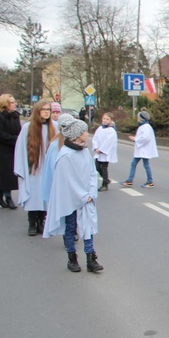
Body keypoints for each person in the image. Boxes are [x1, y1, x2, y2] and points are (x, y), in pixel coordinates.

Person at [43, 115, 103, 273]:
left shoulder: (83, 151)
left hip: (87, 197)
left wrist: (91, 192)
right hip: (71, 199)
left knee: (88, 227)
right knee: (71, 227)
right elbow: (68, 181)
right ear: (77, 134)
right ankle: (72, 258)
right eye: (84, 131)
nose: (87, 134)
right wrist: (83, 196)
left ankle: (91, 257)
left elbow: (91, 172)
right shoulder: (65, 155)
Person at [14, 99, 56, 235]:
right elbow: (20, 149)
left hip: (47, 168)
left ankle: (41, 221)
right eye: (43, 110)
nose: (46, 112)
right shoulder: (28, 127)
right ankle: (32, 222)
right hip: (33, 167)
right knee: (34, 195)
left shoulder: (54, 127)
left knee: (45, 195)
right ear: (37, 111)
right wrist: (21, 168)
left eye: (48, 110)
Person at [0, 94, 21, 210]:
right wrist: (14, 139)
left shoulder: (15, 116)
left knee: (8, 174)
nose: (14, 104)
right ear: (5, 105)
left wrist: (19, 139)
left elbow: (19, 131)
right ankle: (7, 197)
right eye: (12, 102)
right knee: (2, 174)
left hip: (11, 148)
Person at [122, 111, 158, 188]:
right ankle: (130, 180)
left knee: (145, 165)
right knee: (134, 163)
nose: (137, 119)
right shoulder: (143, 126)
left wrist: (135, 139)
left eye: (138, 118)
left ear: (141, 119)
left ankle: (150, 181)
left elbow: (145, 138)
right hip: (141, 150)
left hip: (144, 150)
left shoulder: (146, 127)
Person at [93, 112, 118, 191]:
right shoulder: (100, 128)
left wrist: (101, 150)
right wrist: (96, 148)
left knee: (104, 168)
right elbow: (95, 138)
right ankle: (106, 179)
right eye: (104, 118)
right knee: (97, 166)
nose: (105, 120)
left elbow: (109, 141)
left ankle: (105, 184)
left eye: (107, 119)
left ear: (111, 120)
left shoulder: (111, 131)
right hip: (98, 152)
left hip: (105, 153)